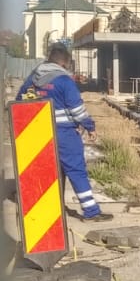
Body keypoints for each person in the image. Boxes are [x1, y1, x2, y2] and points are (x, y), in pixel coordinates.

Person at [16, 43, 111, 221]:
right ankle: (91, 211)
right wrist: (90, 126)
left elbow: (19, 102)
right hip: (65, 134)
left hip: (37, 133)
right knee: (76, 170)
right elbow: (77, 110)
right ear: (64, 64)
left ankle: (46, 209)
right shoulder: (64, 81)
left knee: (45, 172)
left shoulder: (32, 79)